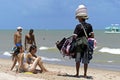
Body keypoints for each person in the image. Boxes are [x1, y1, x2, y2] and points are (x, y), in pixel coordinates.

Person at [73, 4, 94, 77]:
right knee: (85, 60)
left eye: (78, 18)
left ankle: (77, 74)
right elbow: (92, 36)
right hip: (86, 43)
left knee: (77, 59)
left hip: (79, 44)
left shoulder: (78, 26)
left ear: (80, 18)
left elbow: (74, 36)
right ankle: (85, 74)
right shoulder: (90, 26)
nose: (78, 19)